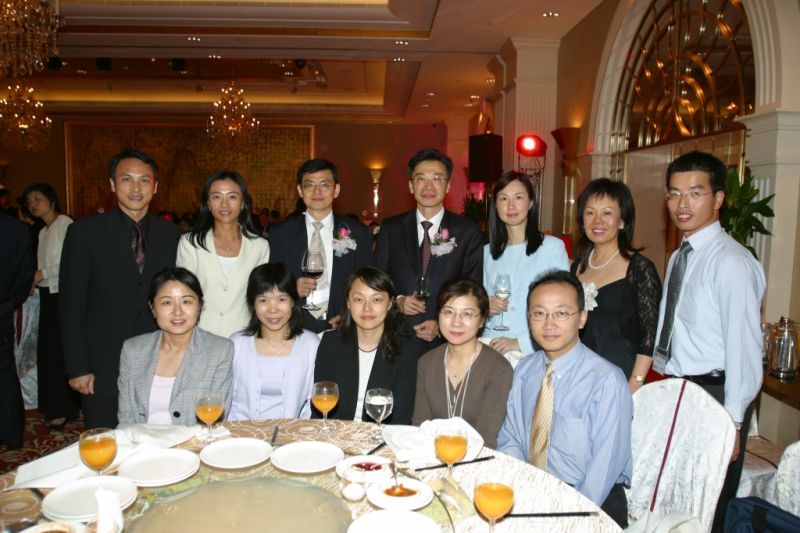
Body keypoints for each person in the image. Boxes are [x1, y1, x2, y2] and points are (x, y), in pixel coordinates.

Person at [654, 151, 765, 532]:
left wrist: (732, 421)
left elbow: (744, 349)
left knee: (710, 506)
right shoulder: (680, 256)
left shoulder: (731, 262)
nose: (682, 204)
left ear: (718, 198)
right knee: (677, 502)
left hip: (715, 395)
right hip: (680, 391)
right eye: (674, 193)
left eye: (695, 193)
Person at [497, 270, 632, 527]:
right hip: (533, 491)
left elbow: (604, 467)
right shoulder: (525, 369)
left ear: (582, 318)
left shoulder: (607, 381)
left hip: (591, 501)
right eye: (539, 313)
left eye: (561, 313)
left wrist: (563, 517)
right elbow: (511, 437)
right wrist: (518, 486)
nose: (549, 324)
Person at [60, 149, 182, 429]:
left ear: (155, 186)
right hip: (103, 365)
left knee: (159, 442)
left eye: (144, 180)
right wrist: (78, 367)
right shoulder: (83, 234)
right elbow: (71, 305)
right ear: (113, 184)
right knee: (107, 443)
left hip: (160, 362)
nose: (136, 188)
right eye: (127, 179)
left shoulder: (173, 235)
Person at [374, 148, 484, 350]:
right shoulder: (391, 228)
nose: (428, 186)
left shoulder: (467, 232)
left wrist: (441, 325)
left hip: (446, 343)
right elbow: (377, 280)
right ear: (411, 185)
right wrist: (398, 301)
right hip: (396, 338)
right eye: (421, 178)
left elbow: (473, 289)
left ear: (448, 185)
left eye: (437, 178)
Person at [570, 178, 662, 391]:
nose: (597, 221)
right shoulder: (577, 267)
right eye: (590, 213)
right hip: (580, 379)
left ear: (622, 221)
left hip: (620, 380)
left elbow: (649, 338)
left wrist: (634, 385)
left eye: (607, 213)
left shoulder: (640, 269)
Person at [117, 267, 233, 426]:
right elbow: (126, 419)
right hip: (141, 440)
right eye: (167, 302)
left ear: (200, 306)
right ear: (152, 307)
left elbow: (214, 420)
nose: (177, 312)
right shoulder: (133, 350)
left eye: (186, 302)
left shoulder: (219, 350)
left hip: (194, 440)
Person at [269, 158, 372, 333]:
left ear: (336, 190)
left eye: (324, 184)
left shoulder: (358, 233)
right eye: (309, 185)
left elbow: (367, 282)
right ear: (300, 190)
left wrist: (349, 316)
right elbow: (269, 284)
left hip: (342, 328)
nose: (317, 191)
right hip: (293, 328)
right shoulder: (280, 234)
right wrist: (290, 290)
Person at [412, 277, 512, 448]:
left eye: (467, 314)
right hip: (430, 456)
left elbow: (487, 439)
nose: (456, 323)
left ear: (482, 320)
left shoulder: (499, 369)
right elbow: (420, 426)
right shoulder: (426, 363)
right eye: (448, 312)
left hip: (479, 459)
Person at [314, 267, 418, 424]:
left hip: (384, 434)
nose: (367, 308)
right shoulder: (330, 343)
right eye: (358, 299)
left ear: (390, 303)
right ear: (348, 303)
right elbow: (321, 407)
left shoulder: (406, 349)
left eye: (377, 300)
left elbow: (401, 416)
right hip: (337, 433)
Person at [483, 171, 569, 359]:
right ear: (496, 205)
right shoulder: (486, 253)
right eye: (503, 198)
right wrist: (484, 306)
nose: (511, 206)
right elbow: (475, 304)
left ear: (530, 203)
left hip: (533, 351)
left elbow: (563, 306)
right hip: (492, 348)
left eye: (518, 197)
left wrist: (520, 342)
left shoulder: (552, 248)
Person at [177, 171, 269, 338]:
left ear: (243, 203)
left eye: (232, 197)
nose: (224, 204)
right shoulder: (190, 243)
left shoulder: (259, 246)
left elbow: (261, 295)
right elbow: (183, 293)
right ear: (208, 203)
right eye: (217, 197)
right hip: (199, 335)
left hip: (243, 337)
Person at [227, 263, 319, 420]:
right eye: (263, 300)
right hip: (240, 432)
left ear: (293, 301)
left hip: (293, 433)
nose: (273, 309)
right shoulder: (237, 344)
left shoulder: (310, 344)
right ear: (253, 303)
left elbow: (313, 404)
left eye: (281, 299)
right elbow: (225, 401)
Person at [23, 183, 80, 428]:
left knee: (58, 352)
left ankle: (64, 407)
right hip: (47, 294)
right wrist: (35, 280)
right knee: (48, 352)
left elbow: (70, 261)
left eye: (37, 199)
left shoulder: (64, 224)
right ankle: (59, 405)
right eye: (29, 201)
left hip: (62, 294)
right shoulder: (42, 231)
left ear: (52, 200)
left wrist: (41, 274)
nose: (33, 205)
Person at [0, 213, 35, 448]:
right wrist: (7, 305)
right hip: (3, 311)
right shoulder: (17, 229)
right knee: (4, 372)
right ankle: (11, 435)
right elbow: (25, 275)